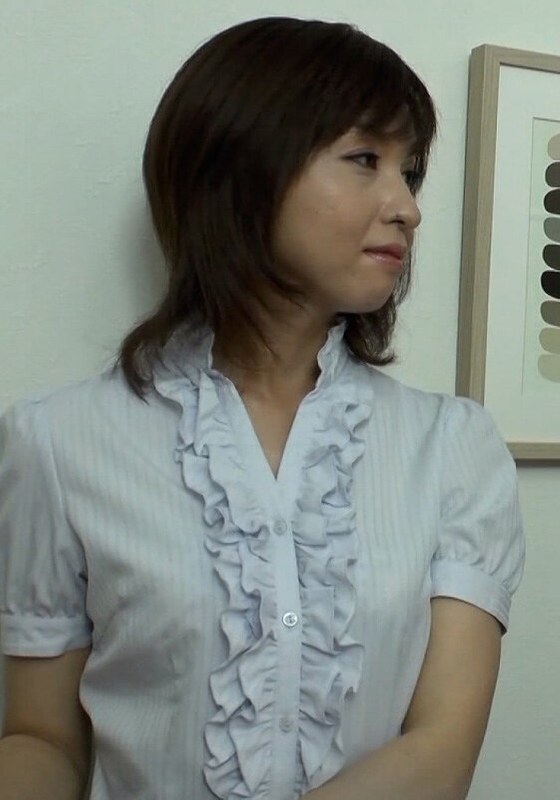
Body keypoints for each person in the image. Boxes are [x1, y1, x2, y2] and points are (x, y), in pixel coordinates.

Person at [0, 16, 525, 800]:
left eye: (410, 171)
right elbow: (41, 736)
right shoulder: (57, 441)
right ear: (244, 165)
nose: (407, 207)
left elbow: (442, 750)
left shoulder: (453, 447)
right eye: (365, 159)